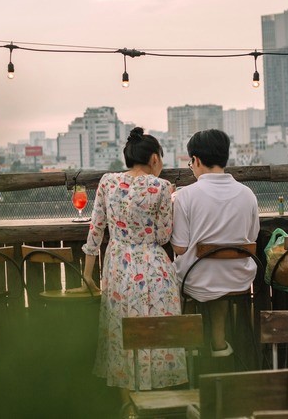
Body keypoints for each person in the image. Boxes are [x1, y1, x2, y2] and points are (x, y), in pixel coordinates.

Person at [79, 127, 187, 400]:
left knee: (121, 331)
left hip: (118, 266)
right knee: (158, 331)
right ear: (154, 158)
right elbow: (164, 235)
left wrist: (87, 274)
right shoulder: (161, 187)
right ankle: (160, 402)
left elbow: (96, 229)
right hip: (153, 266)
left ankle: (128, 405)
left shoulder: (107, 182)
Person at [171, 129, 259, 358]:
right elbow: (252, 237)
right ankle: (218, 343)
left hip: (197, 280)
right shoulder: (247, 194)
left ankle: (188, 344)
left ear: (196, 160)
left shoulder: (185, 196)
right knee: (217, 277)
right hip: (238, 279)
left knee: (183, 275)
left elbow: (179, 248)